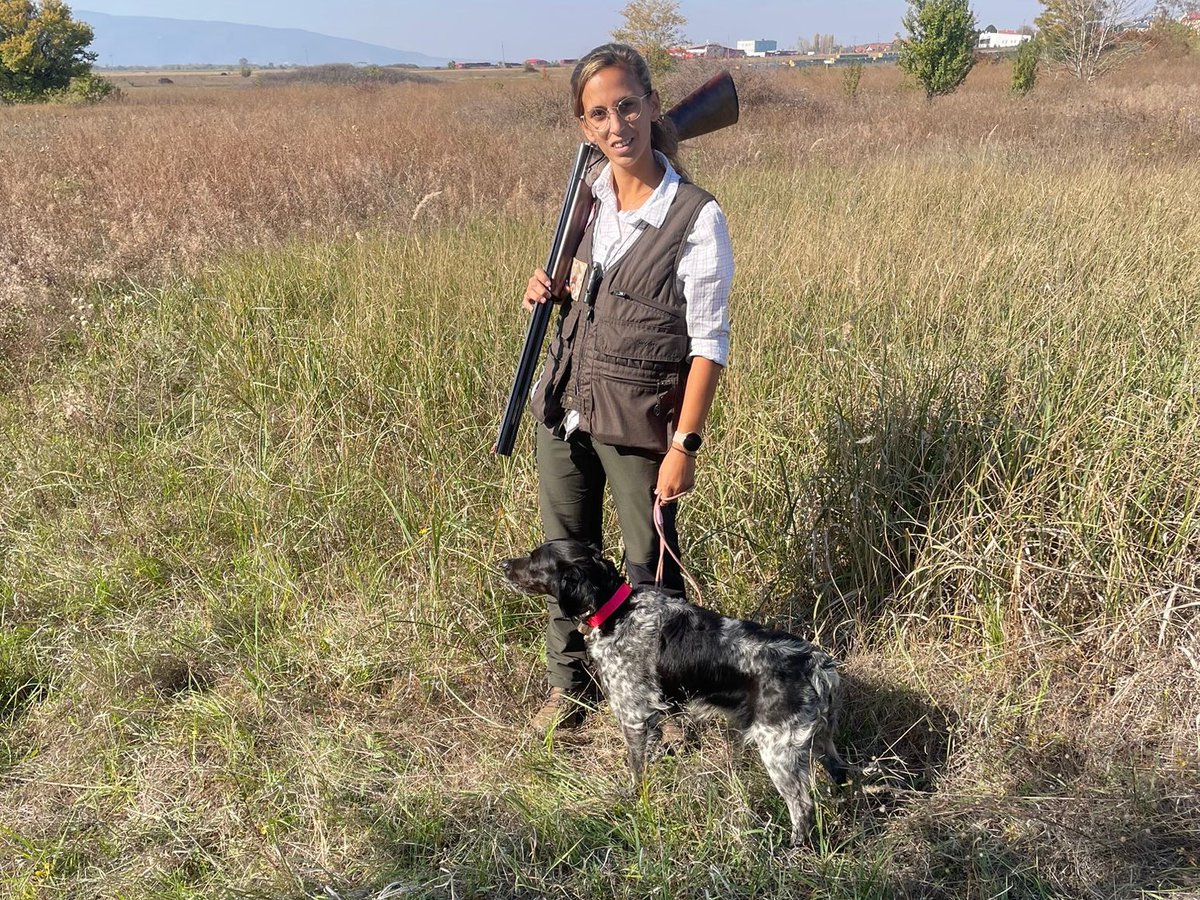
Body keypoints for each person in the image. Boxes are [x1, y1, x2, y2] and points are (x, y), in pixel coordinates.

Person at [522, 43, 734, 733]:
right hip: (565, 405)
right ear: (584, 126)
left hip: (642, 421)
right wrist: (547, 287)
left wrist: (685, 446)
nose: (617, 125)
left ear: (651, 106)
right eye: (599, 114)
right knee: (563, 555)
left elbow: (709, 345)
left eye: (628, 106)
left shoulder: (697, 218)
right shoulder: (587, 192)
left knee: (649, 574)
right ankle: (570, 688)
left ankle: (659, 707)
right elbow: (582, 287)